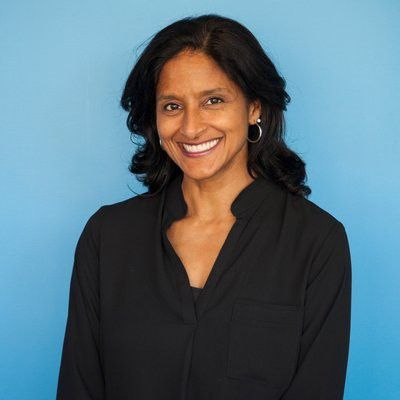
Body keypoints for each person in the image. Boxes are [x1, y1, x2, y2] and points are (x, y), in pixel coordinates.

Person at [56, 14, 352, 400]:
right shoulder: (108, 236)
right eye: (172, 106)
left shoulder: (316, 242)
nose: (191, 128)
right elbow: (79, 387)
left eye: (213, 101)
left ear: (254, 108)